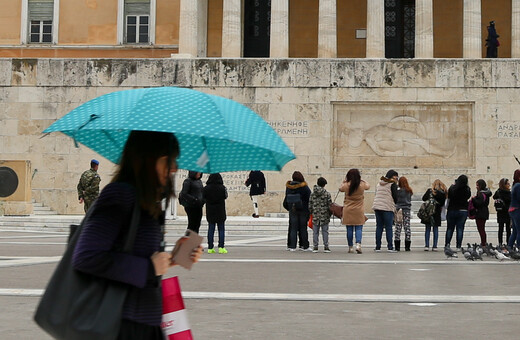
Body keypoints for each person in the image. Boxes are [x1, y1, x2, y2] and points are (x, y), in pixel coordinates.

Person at [72, 131, 203, 339]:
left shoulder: (149, 202)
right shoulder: (119, 195)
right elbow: (86, 257)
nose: (174, 168)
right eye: (168, 160)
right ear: (147, 159)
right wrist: (149, 267)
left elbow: (143, 260)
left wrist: (175, 257)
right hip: (120, 324)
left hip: (146, 321)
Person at [340, 169, 370, 254]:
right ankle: (358, 244)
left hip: (348, 209)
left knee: (349, 228)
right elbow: (368, 185)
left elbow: (340, 188)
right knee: (359, 228)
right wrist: (362, 179)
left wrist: (344, 181)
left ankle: (350, 247)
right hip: (359, 209)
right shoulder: (361, 185)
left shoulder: (346, 185)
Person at [283, 171, 311, 251]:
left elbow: (286, 199)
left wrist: (289, 207)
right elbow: (309, 198)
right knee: (303, 228)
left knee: (292, 228)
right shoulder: (304, 187)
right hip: (303, 210)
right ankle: (304, 245)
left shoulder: (289, 187)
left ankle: (291, 246)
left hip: (293, 210)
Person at [372, 169, 398, 252]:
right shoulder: (392, 184)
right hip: (387, 207)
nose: (397, 178)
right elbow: (395, 196)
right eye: (396, 176)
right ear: (392, 176)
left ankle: (377, 246)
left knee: (379, 226)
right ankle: (390, 247)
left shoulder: (379, 184)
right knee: (388, 227)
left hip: (377, 207)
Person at [203, 173, 228, 254]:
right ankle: (221, 247)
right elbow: (225, 196)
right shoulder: (222, 188)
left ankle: (210, 247)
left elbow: (203, 197)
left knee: (211, 229)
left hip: (210, 211)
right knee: (221, 229)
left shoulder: (206, 188)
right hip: (220, 211)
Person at [446, 175, 471, 250]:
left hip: (452, 209)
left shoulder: (452, 188)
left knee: (450, 228)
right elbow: (468, 197)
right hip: (463, 210)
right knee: (460, 229)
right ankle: (458, 246)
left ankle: (447, 244)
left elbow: (449, 196)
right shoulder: (467, 189)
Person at [422, 179, 447, 251]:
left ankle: (427, 245)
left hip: (428, 212)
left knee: (427, 229)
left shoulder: (429, 191)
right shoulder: (442, 193)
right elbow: (442, 204)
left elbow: (423, 198)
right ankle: (435, 246)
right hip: (437, 213)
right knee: (435, 229)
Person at [309, 177, 332, 253]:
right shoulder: (327, 194)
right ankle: (326, 246)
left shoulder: (312, 194)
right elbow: (330, 205)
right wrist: (329, 214)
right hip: (324, 215)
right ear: (324, 185)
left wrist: (312, 212)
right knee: (325, 231)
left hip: (315, 215)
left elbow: (310, 205)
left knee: (315, 232)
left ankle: (315, 247)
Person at [470, 179, 492, 248]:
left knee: (481, 229)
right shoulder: (486, 193)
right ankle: (483, 243)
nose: (476, 187)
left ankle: (483, 244)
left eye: (477, 185)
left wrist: (473, 199)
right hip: (484, 212)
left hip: (480, 213)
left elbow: (479, 203)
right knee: (481, 229)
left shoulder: (482, 194)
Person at [394, 176, 413, 251]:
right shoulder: (409, 190)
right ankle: (407, 246)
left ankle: (397, 246)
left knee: (398, 228)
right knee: (407, 227)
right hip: (407, 209)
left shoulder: (397, 191)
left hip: (399, 210)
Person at [493, 178, 512, 246]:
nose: (509, 185)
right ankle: (508, 243)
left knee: (501, 229)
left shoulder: (498, 192)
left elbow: (494, 197)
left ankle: (500, 243)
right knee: (507, 229)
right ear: (504, 185)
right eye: (507, 184)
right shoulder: (508, 193)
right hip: (506, 212)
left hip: (500, 212)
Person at [508, 170, 520, 250]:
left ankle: (510, 246)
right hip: (517, 210)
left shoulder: (515, 185)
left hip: (513, 209)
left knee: (515, 231)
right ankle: (519, 246)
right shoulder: (518, 185)